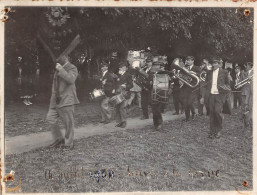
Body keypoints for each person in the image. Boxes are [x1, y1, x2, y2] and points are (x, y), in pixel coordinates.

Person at [46, 55, 80, 150]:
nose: (58, 57)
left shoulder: (72, 67)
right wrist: (52, 101)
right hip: (55, 102)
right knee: (50, 118)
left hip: (67, 101)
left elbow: (71, 79)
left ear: (66, 57)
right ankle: (59, 139)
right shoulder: (57, 68)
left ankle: (69, 144)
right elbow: (55, 87)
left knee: (68, 123)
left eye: (61, 55)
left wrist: (61, 69)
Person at [203, 57, 231, 139]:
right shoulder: (209, 73)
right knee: (211, 113)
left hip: (220, 96)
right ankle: (212, 131)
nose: (214, 64)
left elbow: (228, 84)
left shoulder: (225, 72)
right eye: (213, 63)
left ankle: (218, 130)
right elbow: (205, 84)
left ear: (219, 64)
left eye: (216, 63)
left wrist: (224, 90)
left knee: (217, 112)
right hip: (211, 95)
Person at [180, 56, 200, 121]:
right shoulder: (184, 68)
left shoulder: (196, 68)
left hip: (193, 87)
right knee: (185, 103)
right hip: (185, 87)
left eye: (189, 60)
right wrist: (180, 80)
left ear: (193, 61)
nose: (188, 61)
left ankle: (194, 113)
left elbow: (201, 74)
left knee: (190, 102)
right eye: (187, 60)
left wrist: (195, 73)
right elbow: (181, 75)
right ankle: (187, 117)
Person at [114, 62, 133, 128]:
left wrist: (125, 86)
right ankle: (119, 122)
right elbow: (116, 83)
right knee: (117, 108)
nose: (120, 68)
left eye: (121, 67)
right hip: (118, 93)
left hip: (125, 93)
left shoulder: (128, 75)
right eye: (120, 67)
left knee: (122, 108)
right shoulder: (118, 75)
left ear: (125, 67)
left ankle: (124, 122)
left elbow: (131, 85)